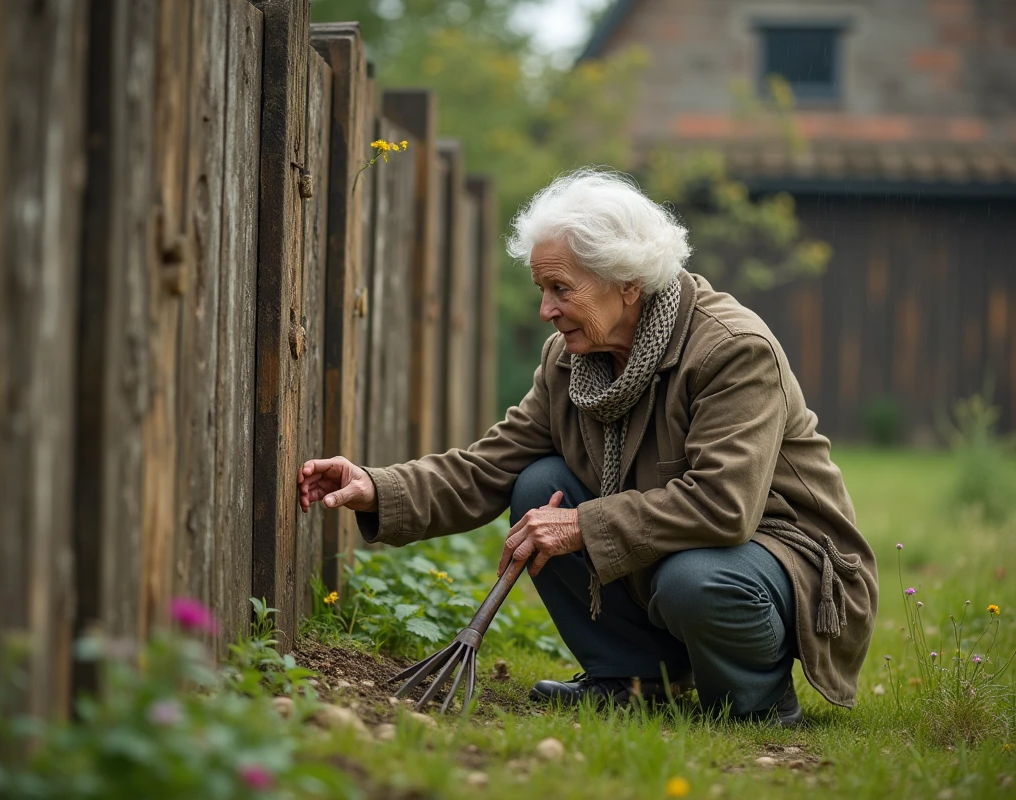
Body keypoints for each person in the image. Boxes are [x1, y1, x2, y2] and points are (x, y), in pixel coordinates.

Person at [298, 168, 878, 725]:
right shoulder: (570, 360)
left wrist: (581, 525)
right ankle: (637, 678)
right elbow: (491, 465)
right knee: (536, 483)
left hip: (778, 553)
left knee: (693, 579)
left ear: (627, 283)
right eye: (541, 288)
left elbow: (724, 505)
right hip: (680, 544)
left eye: (561, 288)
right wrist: (377, 486)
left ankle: (756, 700)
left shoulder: (732, 350)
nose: (546, 309)